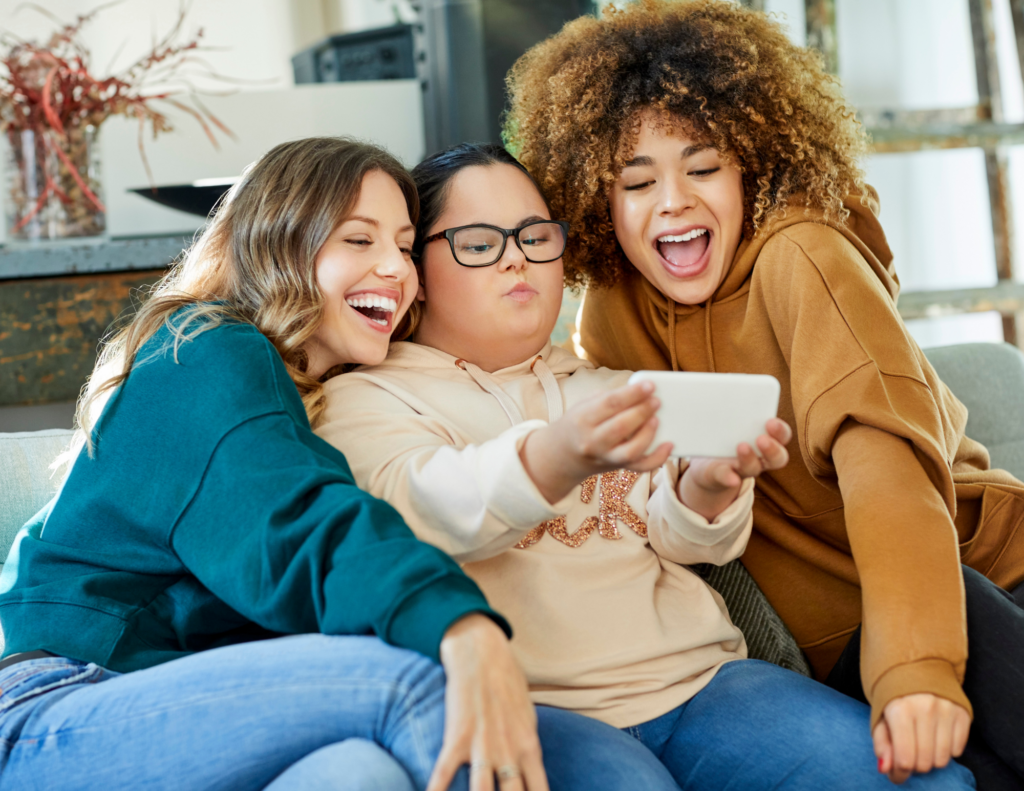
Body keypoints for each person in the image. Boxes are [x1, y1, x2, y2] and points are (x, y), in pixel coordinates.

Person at [0, 137, 680, 791]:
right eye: (359, 239)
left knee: (362, 774)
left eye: (406, 247)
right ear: (278, 242)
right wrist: (460, 626)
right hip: (60, 704)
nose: (396, 269)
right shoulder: (206, 350)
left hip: (177, 708)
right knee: (414, 685)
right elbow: (303, 528)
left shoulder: (317, 399)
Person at [315, 141, 975, 791]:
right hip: (548, 708)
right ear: (416, 270)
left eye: (536, 236)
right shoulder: (364, 396)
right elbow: (418, 510)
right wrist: (556, 456)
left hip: (706, 684)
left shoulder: (610, 383)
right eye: (481, 243)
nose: (517, 258)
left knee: (927, 782)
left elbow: (682, 539)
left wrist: (706, 487)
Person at [504, 1, 1024, 787]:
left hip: (968, 587)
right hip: (834, 652)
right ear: (596, 200)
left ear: (756, 162)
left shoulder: (801, 258)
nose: (672, 200)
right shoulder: (613, 310)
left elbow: (890, 472)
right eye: (635, 181)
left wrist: (915, 668)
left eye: (704, 166)